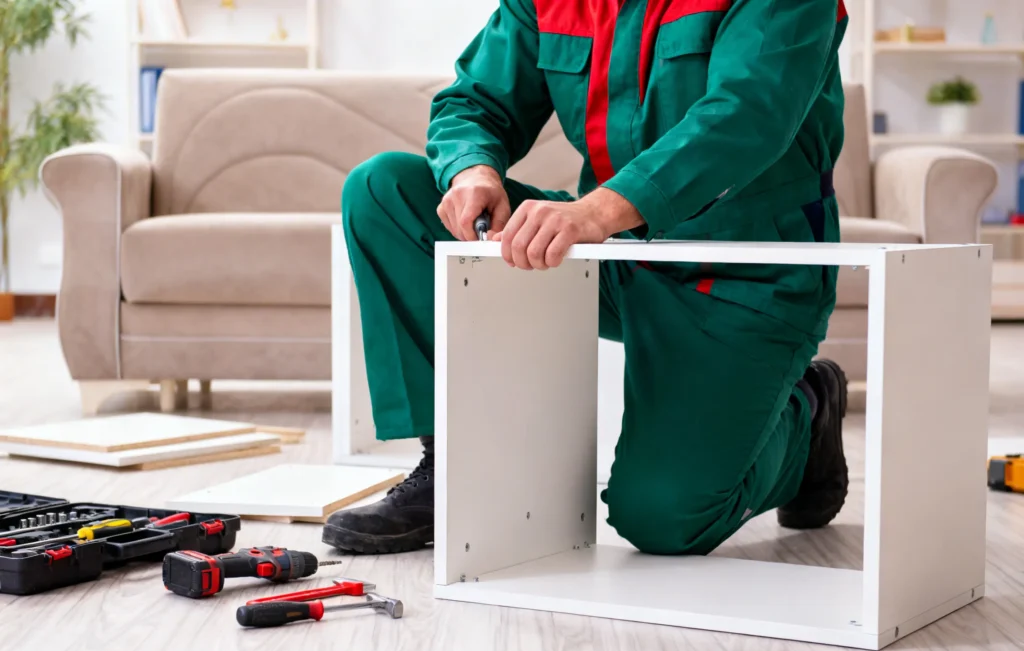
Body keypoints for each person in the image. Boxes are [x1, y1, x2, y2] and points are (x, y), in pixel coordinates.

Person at [323, 0, 851, 556]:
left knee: (665, 519)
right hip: (615, 258)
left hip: (746, 278)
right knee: (386, 189)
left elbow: (749, 114)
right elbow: (475, 101)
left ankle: (809, 413)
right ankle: (453, 467)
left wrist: (595, 213)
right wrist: (472, 167)